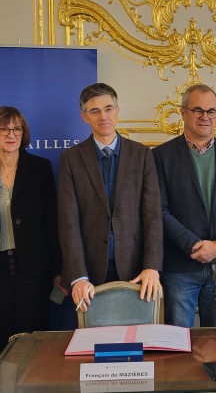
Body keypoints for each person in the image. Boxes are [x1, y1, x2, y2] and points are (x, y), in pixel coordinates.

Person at [0, 106, 62, 356]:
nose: (11, 134)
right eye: (4, 128)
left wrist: (60, 270)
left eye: (17, 128)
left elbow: (53, 221)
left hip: (34, 270)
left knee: (37, 343)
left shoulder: (40, 168)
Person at [153, 83, 216, 327]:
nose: (205, 117)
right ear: (183, 112)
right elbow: (159, 210)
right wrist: (194, 244)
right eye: (198, 110)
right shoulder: (160, 156)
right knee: (178, 343)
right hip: (180, 265)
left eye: (211, 111)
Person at [58, 82, 163, 311]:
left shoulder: (142, 154)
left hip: (137, 271)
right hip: (90, 272)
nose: (103, 116)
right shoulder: (71, 159)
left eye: (108, 108)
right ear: (84, 117)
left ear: (117, 111)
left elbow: (153, 215)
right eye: (94, 111)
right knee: (94, 342)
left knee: (136, 339)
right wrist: (78, 276)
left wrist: (152, 266)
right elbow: (68, 222)